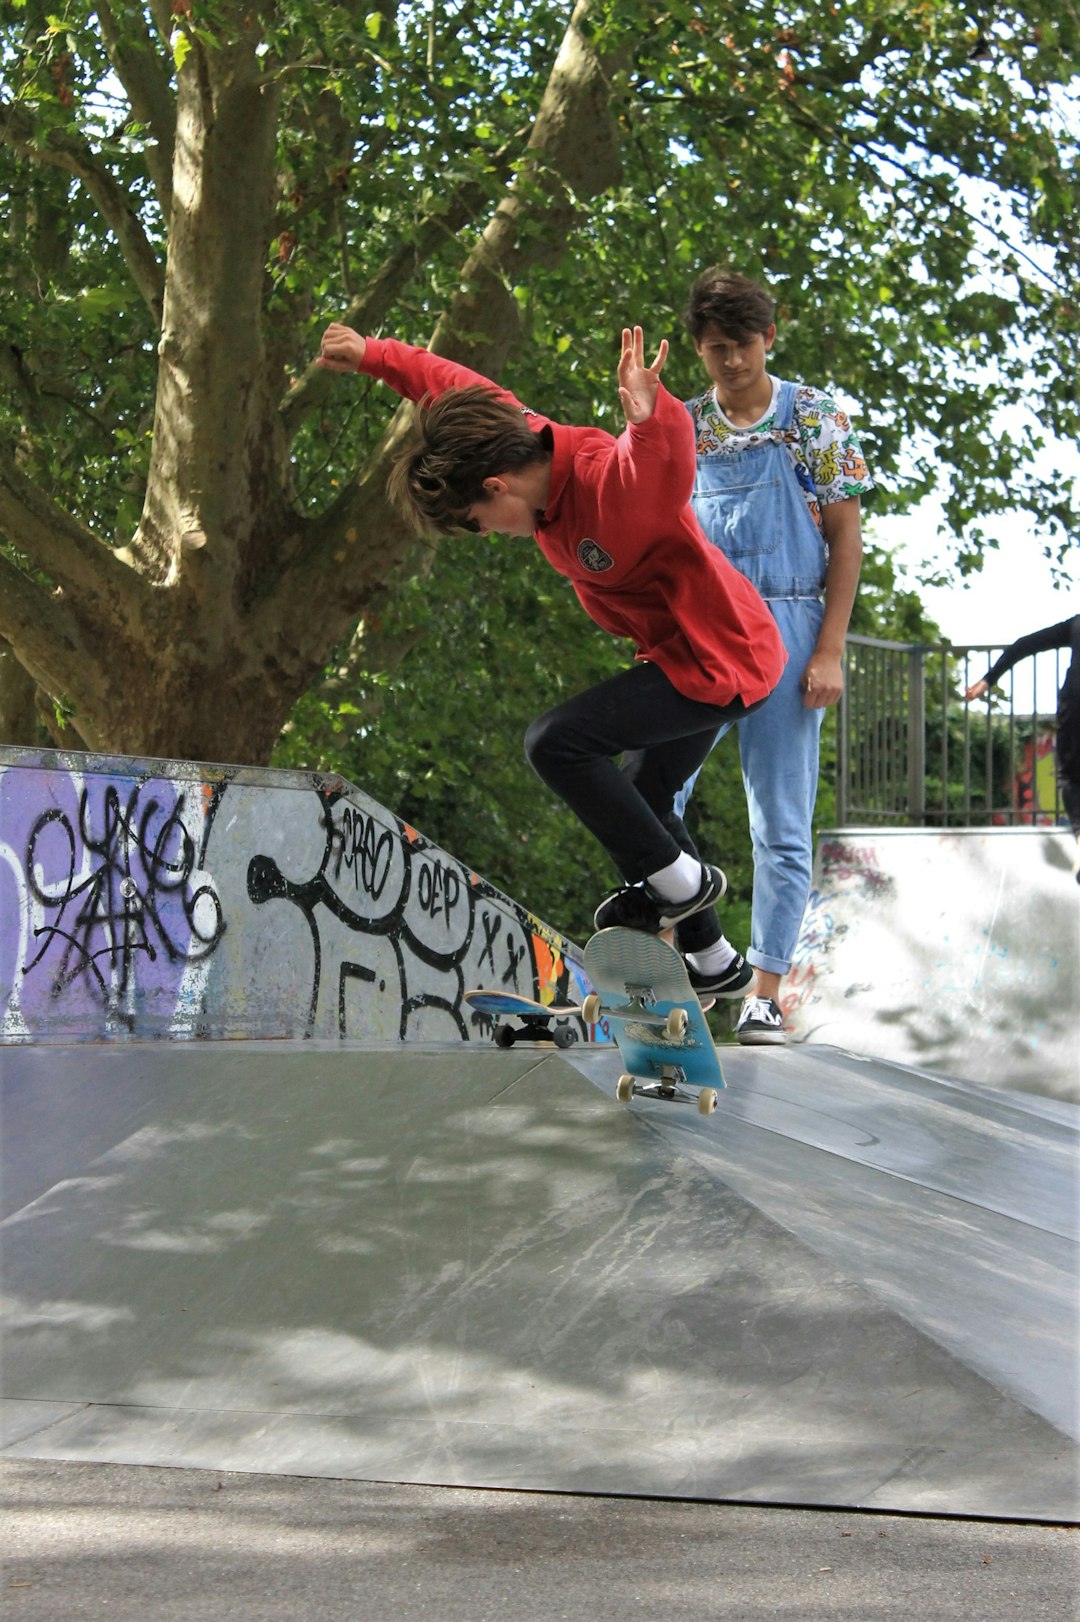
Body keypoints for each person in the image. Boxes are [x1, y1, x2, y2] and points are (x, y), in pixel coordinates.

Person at [317, 321, 787, 996]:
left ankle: (679, 883)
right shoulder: (519, 436)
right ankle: (714, 960)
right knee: (645, 793)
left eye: (477, 524)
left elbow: (662, 469)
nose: (491, 537)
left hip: (721, 663)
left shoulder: (604, 485)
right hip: (700, 653)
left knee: (556, 744)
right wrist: (375, 357)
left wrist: (652, 416)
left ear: (497, 487)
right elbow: (453, 386)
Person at [672, 270, 873, 1045]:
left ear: (769, 338)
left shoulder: (812, 414)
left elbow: (846, 535)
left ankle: (763, 989)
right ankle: (664, 954)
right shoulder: (684, 426)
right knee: (657, 793)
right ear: (699, 349)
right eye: (716, 350)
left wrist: (829, 650)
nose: (731, 364)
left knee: (781, 823)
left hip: (791, 624)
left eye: (743, 347)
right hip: (708, 626)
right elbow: (666, 537)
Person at [964, 613, 1079, 873]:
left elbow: (1023, 644)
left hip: (1076, 705)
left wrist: (988, 680)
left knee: (1073, 780)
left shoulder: (1076, 623)